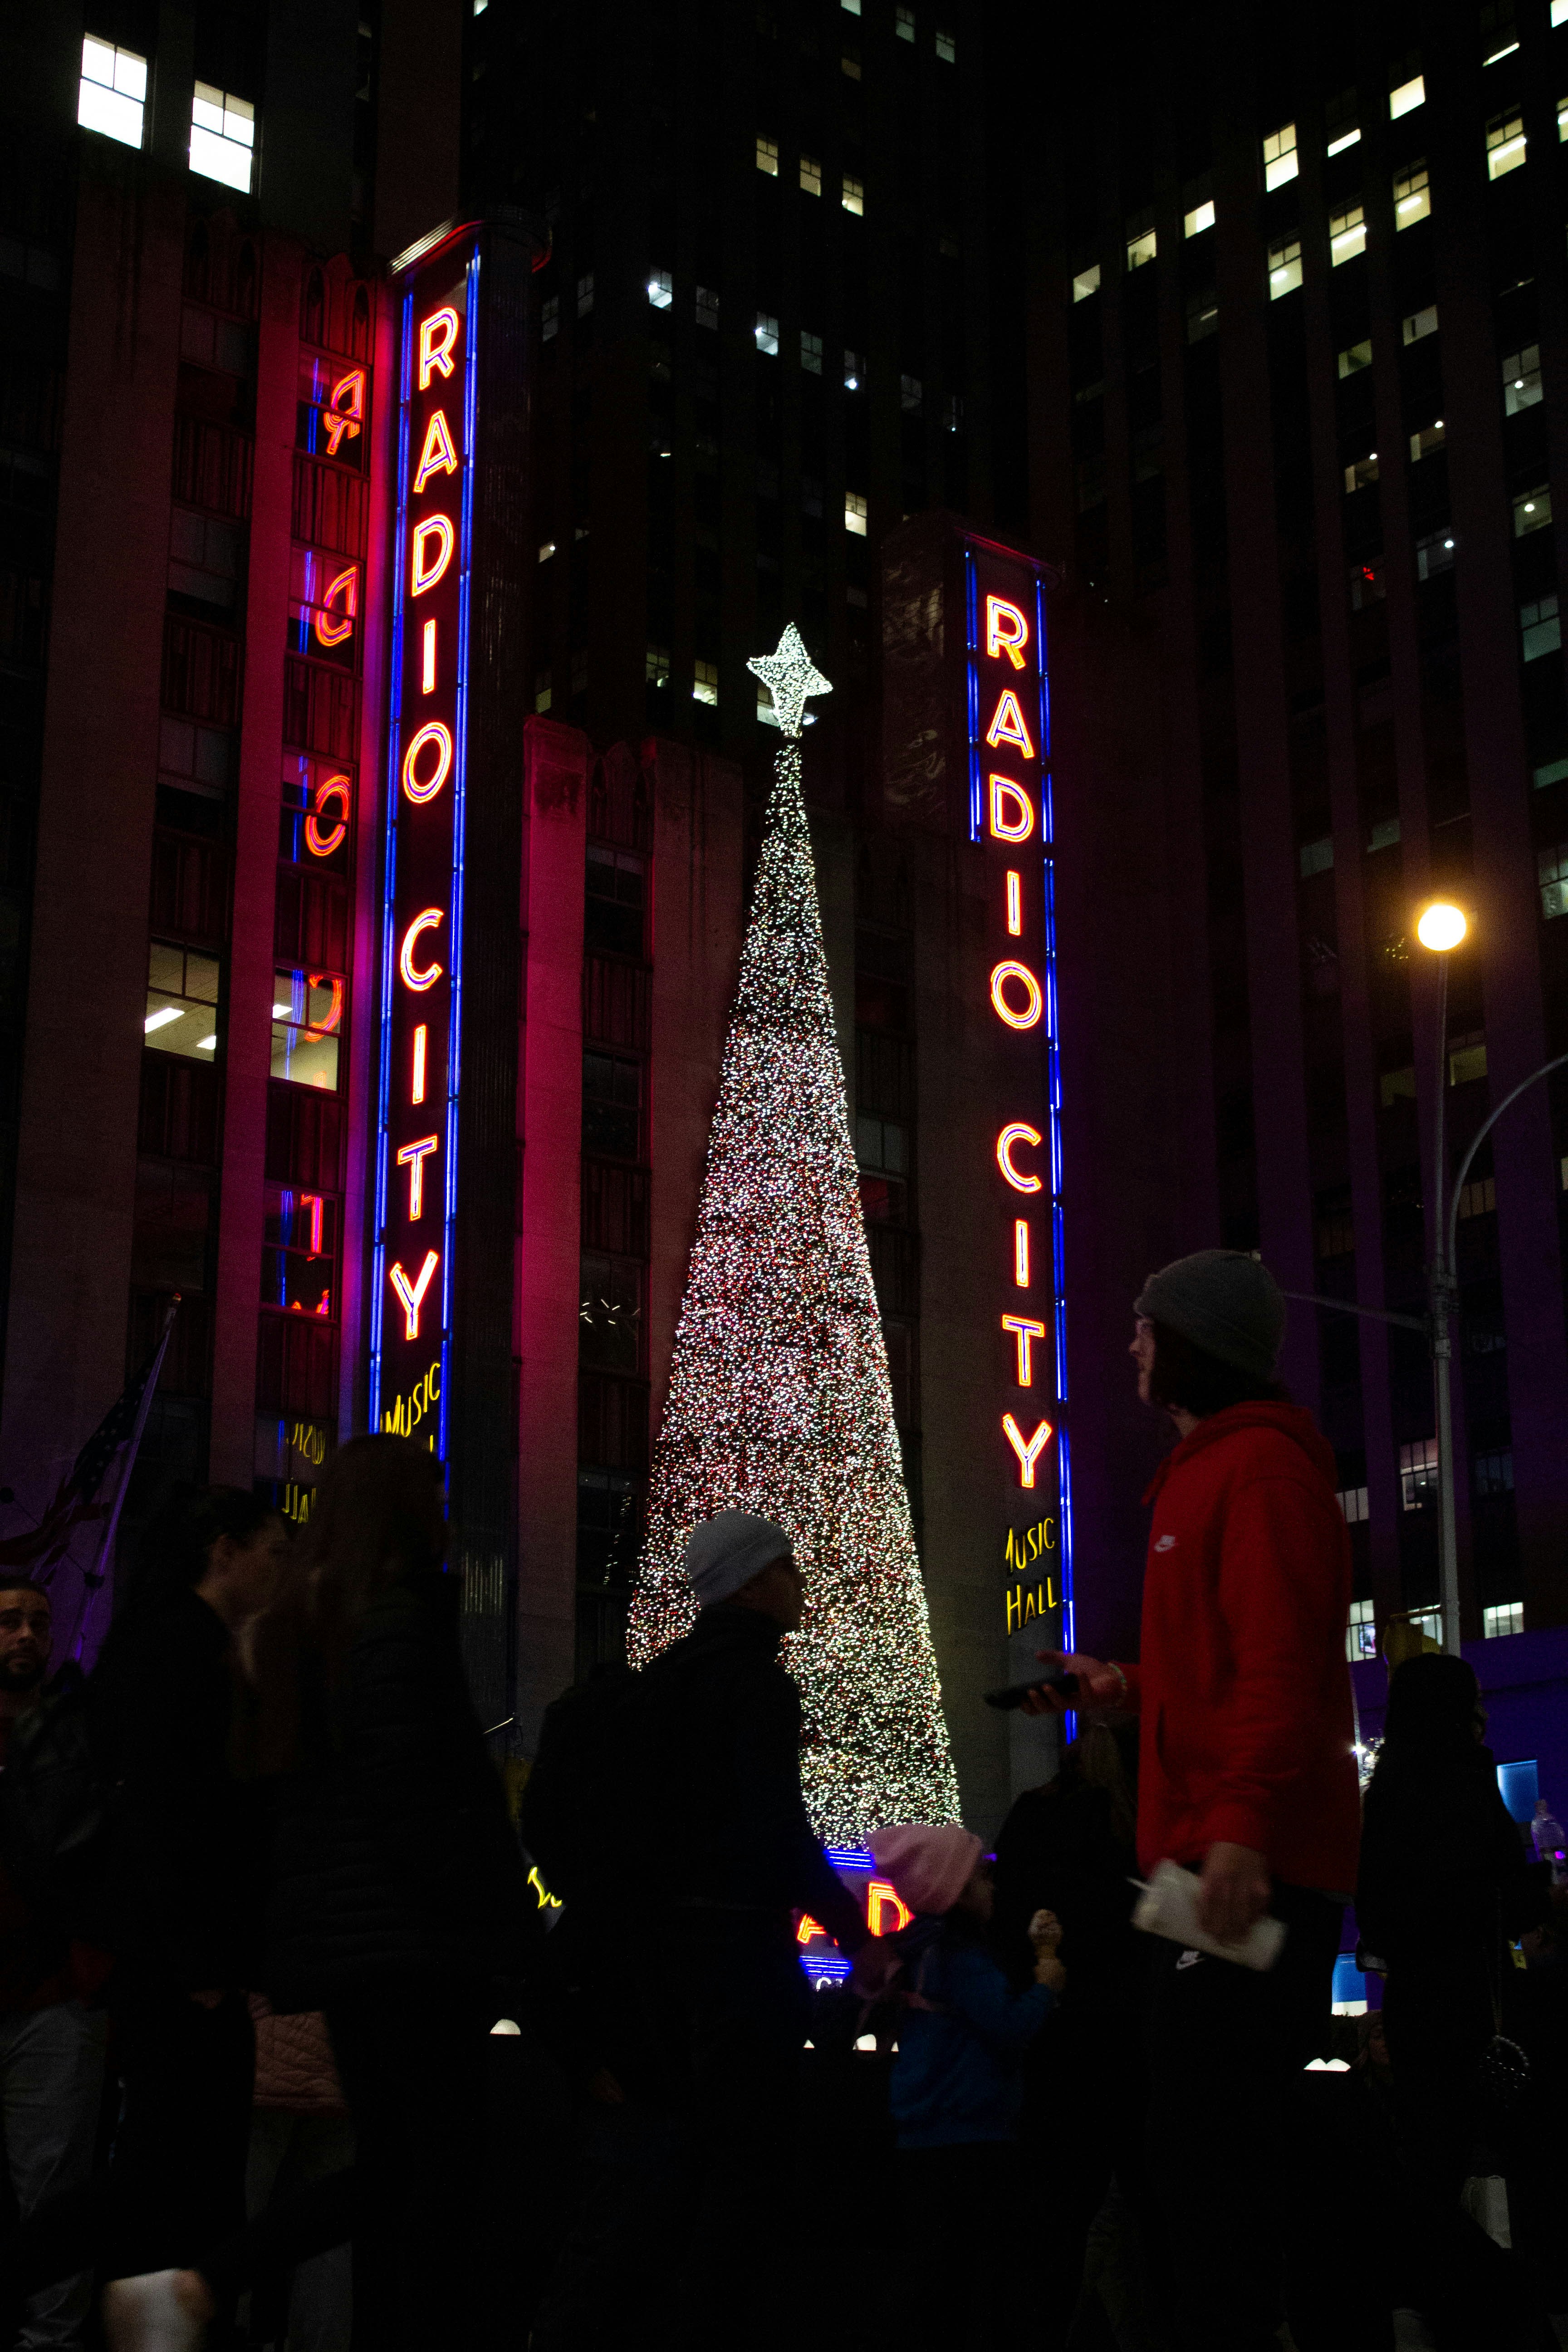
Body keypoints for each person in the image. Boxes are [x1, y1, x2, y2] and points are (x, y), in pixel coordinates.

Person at [1025, 1250, 1359, 2352]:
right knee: (1202, 2138)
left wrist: (1238, 1831)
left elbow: (1277, 1669)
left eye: (1144, 1323)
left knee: (1206, 2145)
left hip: (1236, 1867)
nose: (1128, 1341)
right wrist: (1117, 1687)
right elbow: (1223, 1673)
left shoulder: (1257, 1471)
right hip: (1204, 1861)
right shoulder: (1201, 1471)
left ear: (1195, 1341)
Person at [531, 1511, 880, 2352]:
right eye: (788, 1566)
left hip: (661, 1977)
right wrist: (856, 1929)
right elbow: (775, 1825)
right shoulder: (753, 1682)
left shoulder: (664, 1681)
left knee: (673, 2188)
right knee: (740, 2191)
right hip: (737, 1968)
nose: (801, 1581)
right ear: (753, 1581)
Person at [235, 1435, 532, 2352]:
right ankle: (210, 2279)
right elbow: (419, 1803)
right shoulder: (396, 1629)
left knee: (395, 2172)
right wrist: (495, 1923)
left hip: (357, 1946)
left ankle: (211, 2280)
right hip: (414, 1945)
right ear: (406, 1509)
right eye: (434, 1492)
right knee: (431, 2177)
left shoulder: (314, 1630)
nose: (447, 1510)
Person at [91, 1487, 287, 2336]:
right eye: (271, 1549)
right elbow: (175, 1817)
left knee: (172, 2166)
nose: (281, 1567)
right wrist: (201, 1958)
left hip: (176, 1958)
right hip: (188, 1967)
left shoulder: (162, 1641)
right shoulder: (186, 1651)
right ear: (225, 1550)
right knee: (183, 2169)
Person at [1357, 1652, 1551, 2351]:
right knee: (1514, 2162)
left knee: (1430, 2170)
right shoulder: (1462, 1783)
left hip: (1416, 2007)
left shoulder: (1388, 1789)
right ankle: (1510, 2308)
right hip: (1474, 2004)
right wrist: (1542, 1891)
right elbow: (1482, 1897)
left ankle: (1430, 2309)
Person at [869, 1823, 1063, 2351]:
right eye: (981, 1879)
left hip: (920, 2139)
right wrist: (1046, 1984)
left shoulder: (916, 1956)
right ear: (953, 1891)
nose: (992, 1889)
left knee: (932, 2270)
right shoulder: (965, 1961)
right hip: (972, 2137)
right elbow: (1010, 2027)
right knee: (978, 2272)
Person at [992, 1721, 1148, 2348]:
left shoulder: (1033, 1814)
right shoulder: (1125, 1829)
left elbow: (1005, 1911)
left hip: (1048, 2037)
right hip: (1119, 2037)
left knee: (1049, 2211)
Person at [0, 1577, 108, 2352]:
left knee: (51, 2184)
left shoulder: (71, 1735)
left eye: (38, 1620)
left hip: (50, 1989)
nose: (26, 1634)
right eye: (10, 1621)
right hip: (43, 1983)